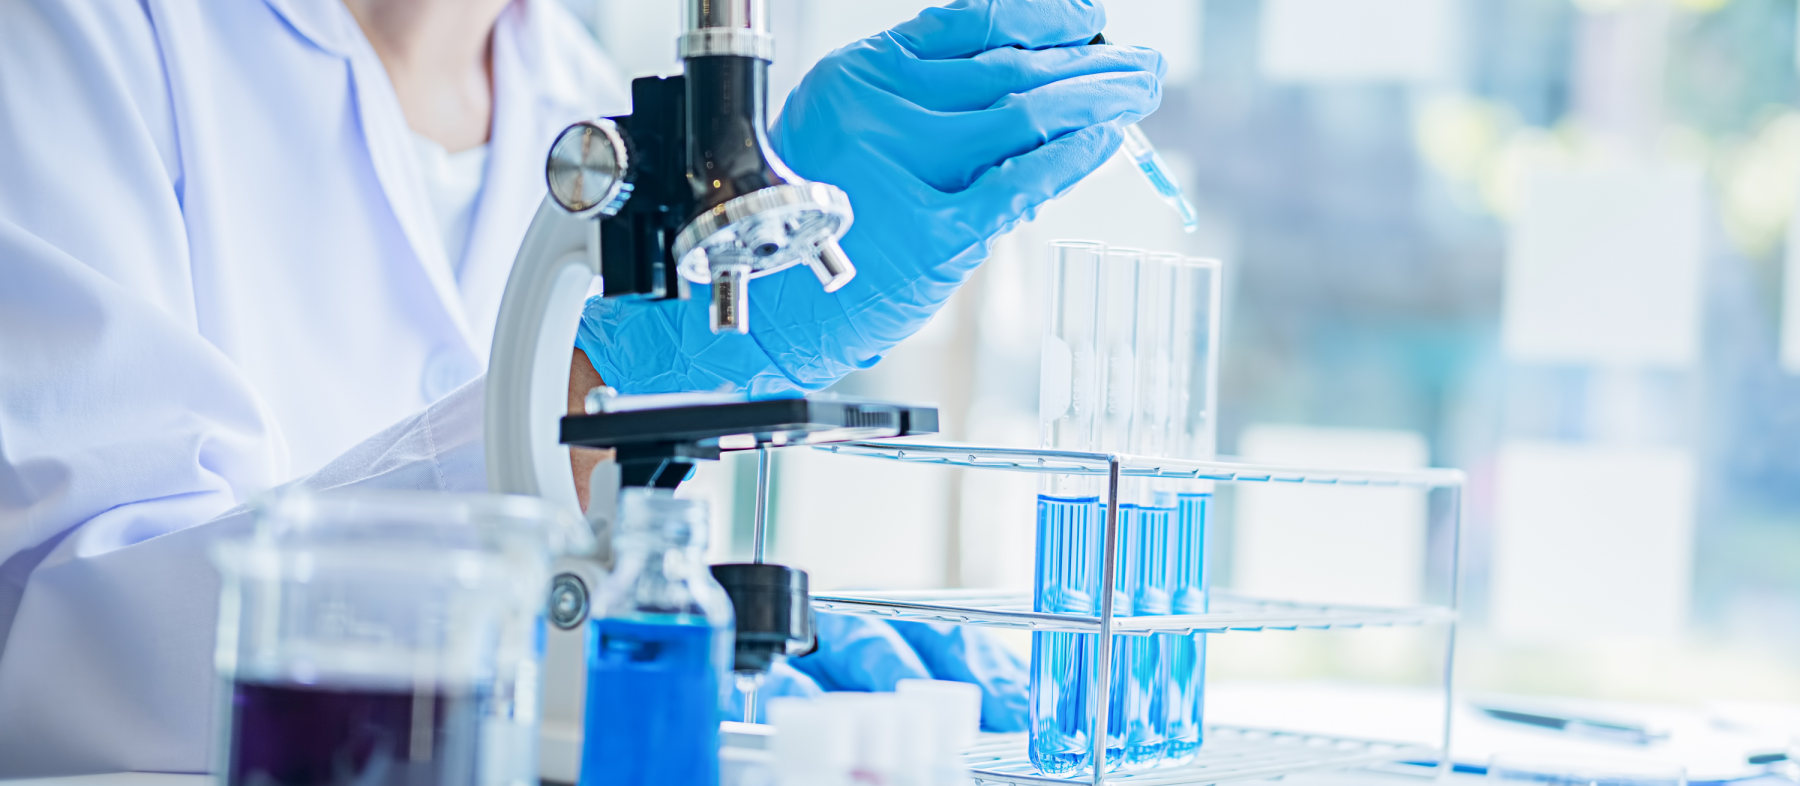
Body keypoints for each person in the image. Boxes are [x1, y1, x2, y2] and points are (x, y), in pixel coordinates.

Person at [0, 0, 1163, 775]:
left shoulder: (588, 91)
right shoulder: (73, 37)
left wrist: (719, 646)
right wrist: (599, 376)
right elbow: (64, 645)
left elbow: (580, 588)